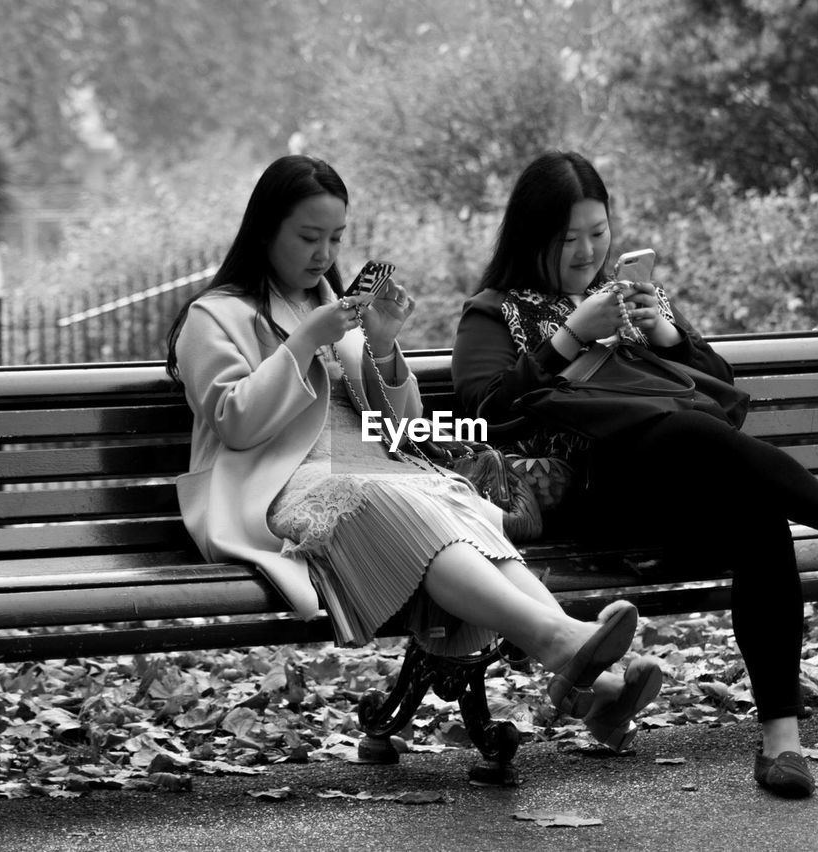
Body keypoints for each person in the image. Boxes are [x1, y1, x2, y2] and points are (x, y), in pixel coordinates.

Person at [452, 150, 818, 798]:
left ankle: (782, 743)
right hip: (586, 496)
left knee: (756, 515)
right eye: (568, 238)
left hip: (668, 491)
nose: (586, 251)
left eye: (598, 233)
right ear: (529, 236)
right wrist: (569, 336)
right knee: (684, 434)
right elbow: (478, 413)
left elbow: (718, 391)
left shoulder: (622, 300)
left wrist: (670, 337)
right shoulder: (491, 312)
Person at [164, 154, 662, 753]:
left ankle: (594, 685)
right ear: (265, 230)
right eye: (308, 237)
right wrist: (304, 342)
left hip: (378, 473)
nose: (324, 254)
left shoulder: (331, 306)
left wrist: (381, 345)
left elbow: (401, 428)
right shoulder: (214, 317)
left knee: (458, 508)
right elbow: (235, 423)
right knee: (406, 502)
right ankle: (563, 648)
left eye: (336, 238)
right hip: (285, 487)